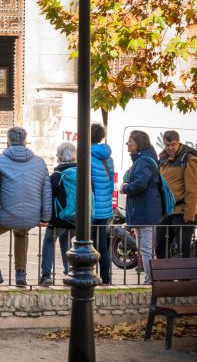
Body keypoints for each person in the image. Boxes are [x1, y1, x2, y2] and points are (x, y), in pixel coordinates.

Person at [0, 126, 51, 287]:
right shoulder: (40, 162)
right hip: (31, 216)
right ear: (25, 142)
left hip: (8, 215)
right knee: (21, 233)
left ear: (8, 141)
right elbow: (46, 192)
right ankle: (20, 274)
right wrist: (45, 218)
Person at [119, 130, 162, 284]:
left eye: (130, 141)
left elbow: (140, 184)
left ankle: (151, 281)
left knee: (146, 249)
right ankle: (151, 279)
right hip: (144, 211)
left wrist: (125, 188)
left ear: (139, 144)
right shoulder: (143, 159)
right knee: (145, 249)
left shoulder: (144, 161)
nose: (127, 144)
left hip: (145, 212)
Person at [156, 129, 197, 259]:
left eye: (173, 144)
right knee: (160, 248)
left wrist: (189, 215)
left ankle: (185, 278)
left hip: (181, 213)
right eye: (167, 145)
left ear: (179, 142)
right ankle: (164, 279)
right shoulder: (163, 159)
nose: (170, 148)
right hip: (165, 212)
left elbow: (192, 189)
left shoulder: (189, 159)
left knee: (183, 250)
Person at [39, 141, 76, 286]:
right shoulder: (83, 174)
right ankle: (69, 273)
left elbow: (47, 198)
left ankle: (46, 275)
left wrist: (44, 217)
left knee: (49, 240)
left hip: (58, 219)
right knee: (66, 240)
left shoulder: (56, 175)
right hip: (77, 219)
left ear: (59, 157)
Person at [91, 122, 115, 285]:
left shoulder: (87, 155)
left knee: (86, 245)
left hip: (91, 209)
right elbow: (111, 183)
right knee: (103, 246)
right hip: (105, 209)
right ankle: (106, 278)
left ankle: (88, 275)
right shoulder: (109, 158)